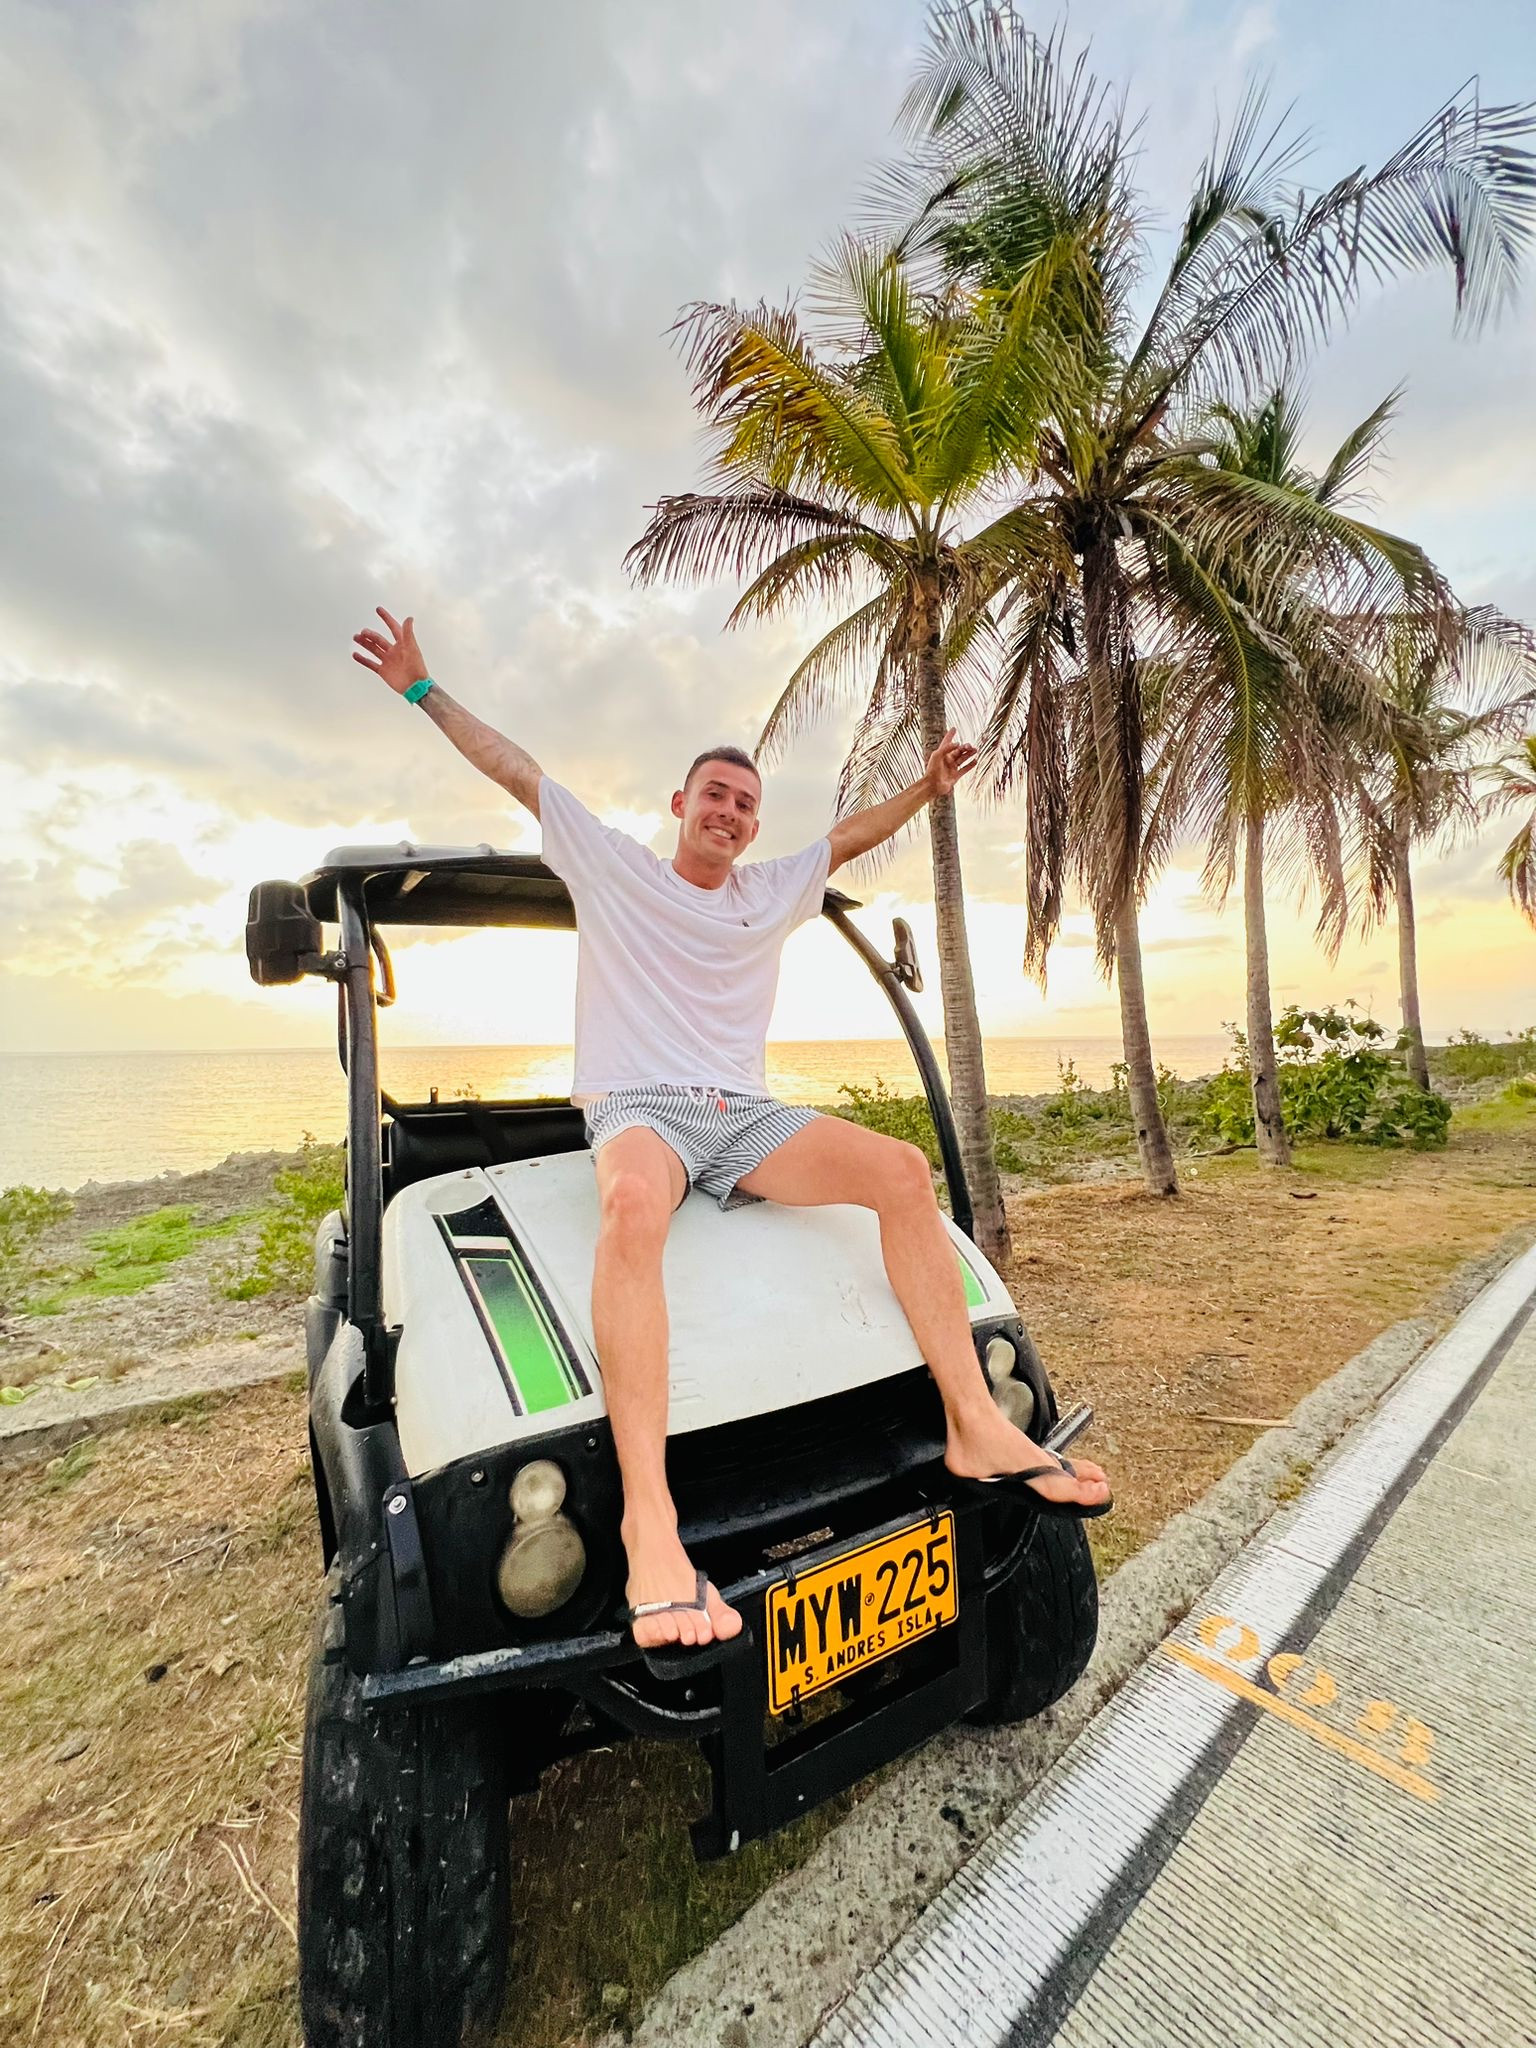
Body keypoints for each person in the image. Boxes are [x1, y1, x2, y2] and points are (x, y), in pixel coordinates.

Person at [353, 607, 1112, 1655]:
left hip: (742, 1115)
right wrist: (420, 688)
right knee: (630, 1202)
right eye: (715, 793)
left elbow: (848, 836)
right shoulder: (615, 867)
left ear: (753, 828)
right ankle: (649, 1519)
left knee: (901, 1170)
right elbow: (518, 770)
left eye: (746, 804)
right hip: (642, 1107)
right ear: (681, 804)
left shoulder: (768, 891)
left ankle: (976, 1425)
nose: (730, 811)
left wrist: (929, 788)